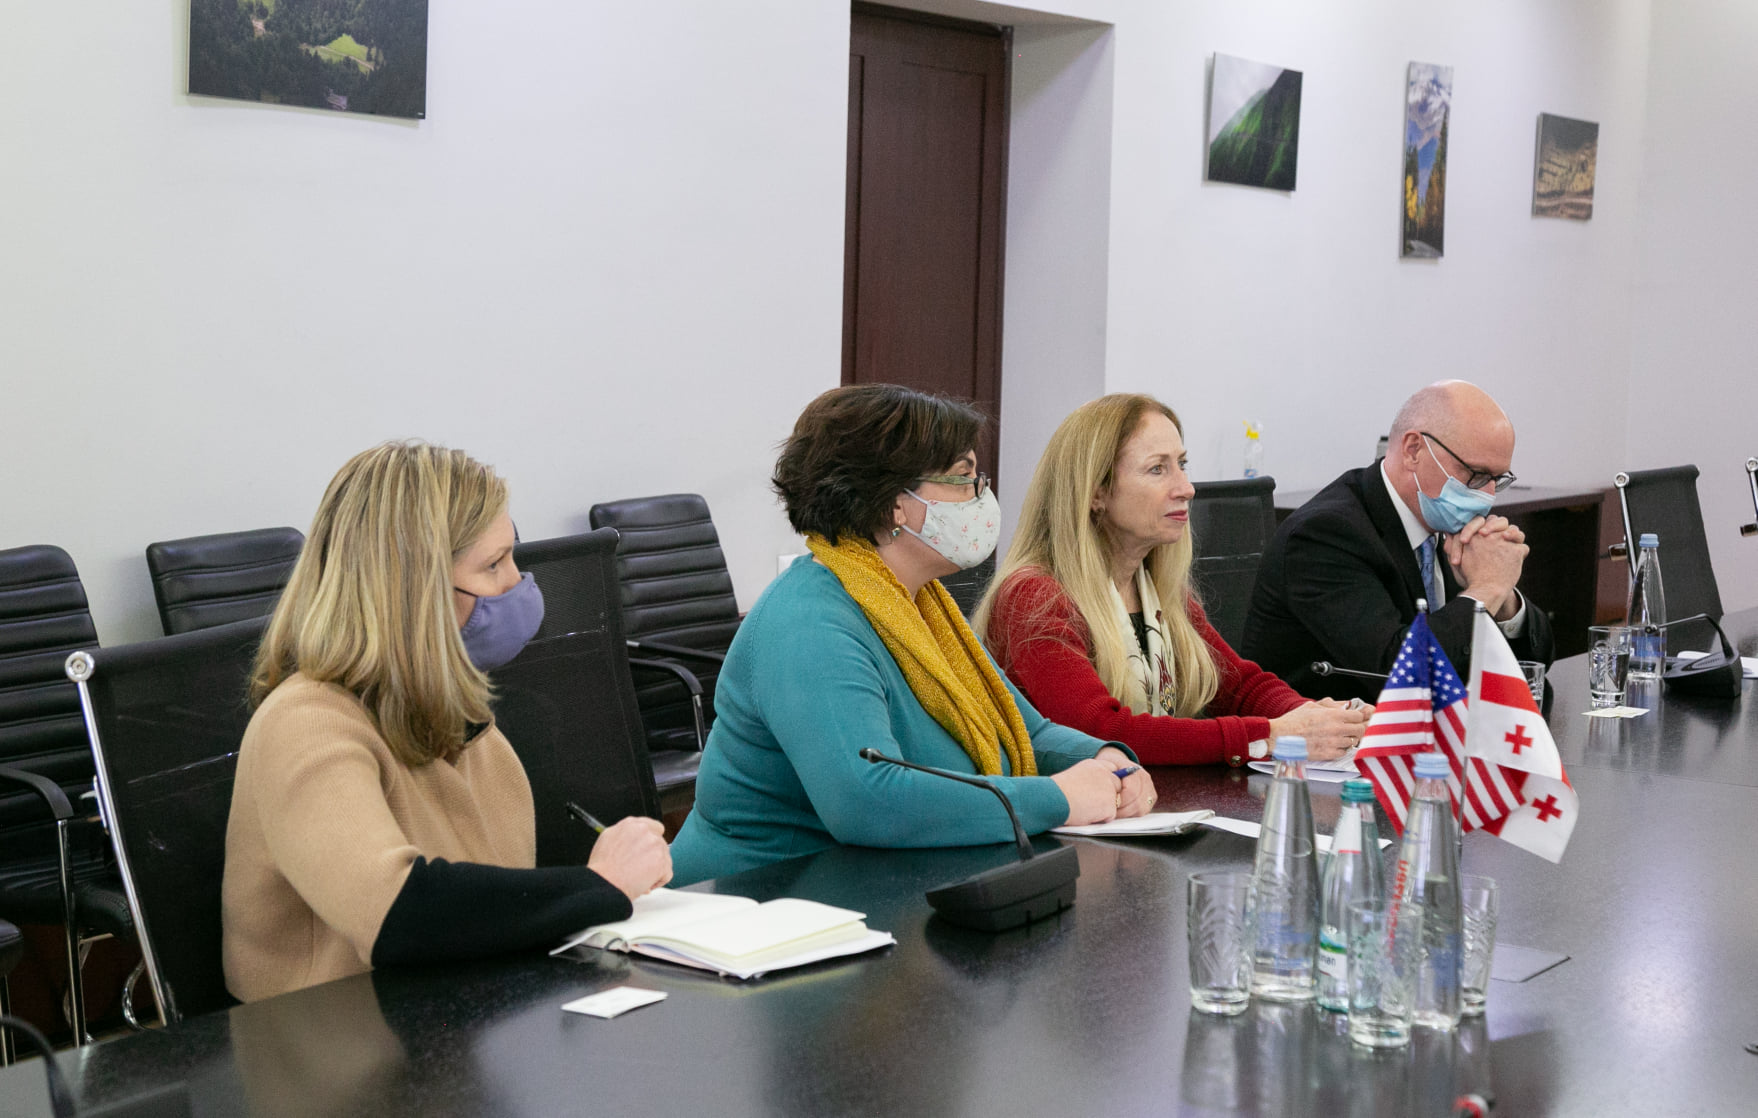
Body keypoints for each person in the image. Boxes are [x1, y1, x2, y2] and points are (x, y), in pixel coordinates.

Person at [223, 442, 671, 1003]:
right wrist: (599, 885)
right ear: (413, 591)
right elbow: (399, 913)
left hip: (453, 1016)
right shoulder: (304, 724)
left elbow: (486, 917)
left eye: (512, 557)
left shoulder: (460, 717)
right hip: (332, 1037)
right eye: (493, 565)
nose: (518, 583)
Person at [668, 385, 1154, 885]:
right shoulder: (808, 620)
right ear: (895, 504)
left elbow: (1024, 731)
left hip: (870, 886)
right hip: (754, 899)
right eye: (964, 478)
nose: (981, 497)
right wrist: (1058, 798)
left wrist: (1106, 759)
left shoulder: (922, 604)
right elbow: (865, 799)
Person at [975, 394, 1370, 768]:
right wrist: (1270, 736)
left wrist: (1319, 718)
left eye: (1182, 464)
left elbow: (1237, 686)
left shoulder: (1155, 587)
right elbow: (1101, 733)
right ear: (1096, 493)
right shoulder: (1034, 597)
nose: (1186, 488)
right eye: (1158, 469)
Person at [1242, 380, 1555, 702]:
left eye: (1498, 480)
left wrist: (1504, 600)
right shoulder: (1325, 534)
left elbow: (1537, 664)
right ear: (1413, 450)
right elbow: (1399, 677)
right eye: (1475, 475)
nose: (1487, 495)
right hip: (1333, 729)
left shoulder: (1446, 523)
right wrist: (1485, 590)